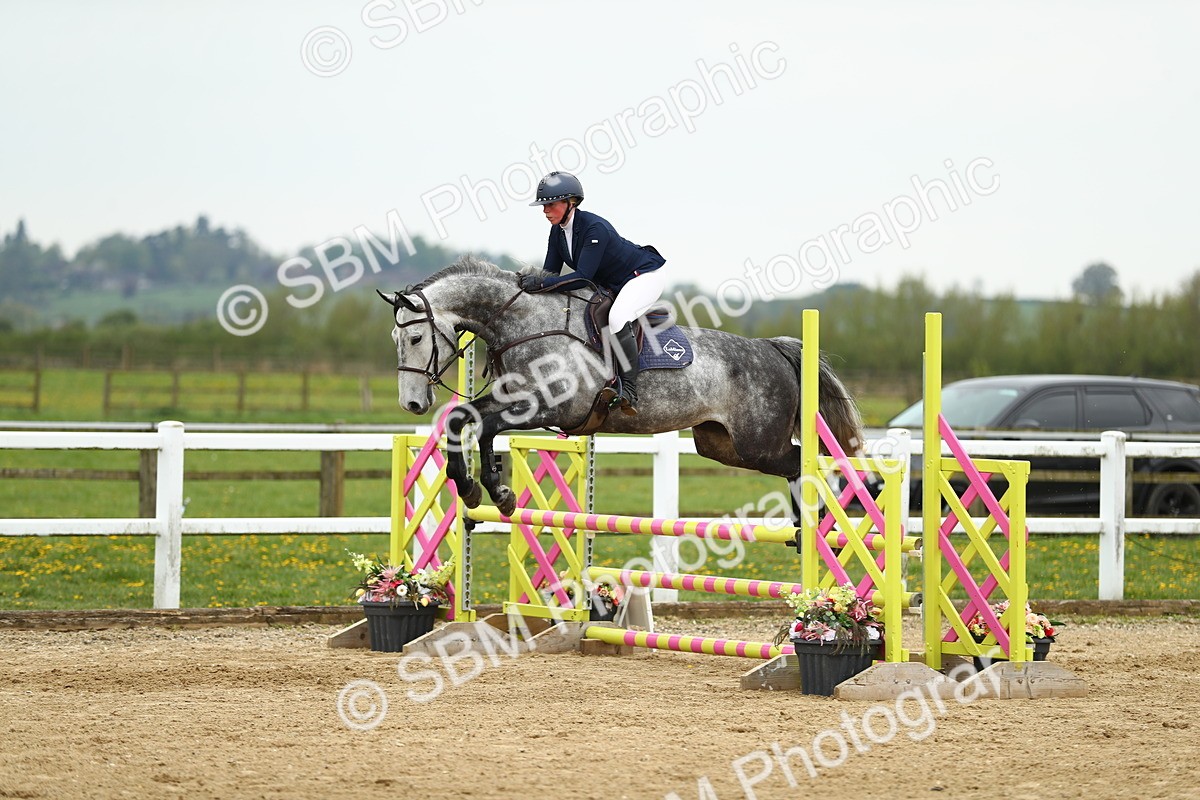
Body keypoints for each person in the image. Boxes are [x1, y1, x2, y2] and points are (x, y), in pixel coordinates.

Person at [522, 171, 667, 415]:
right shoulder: (557, 232)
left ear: (571, 203)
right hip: (613, 283)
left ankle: (629, 389)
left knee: (618, 318)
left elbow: (582, 277)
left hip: (643, 276)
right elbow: (550, 274)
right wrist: (530, 284)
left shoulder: (594, 227)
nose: (545, 210)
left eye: (551, 204)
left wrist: (540, 284)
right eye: (543, 205)